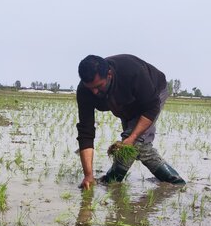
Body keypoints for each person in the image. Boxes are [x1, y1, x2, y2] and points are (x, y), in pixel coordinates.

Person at [76, 54, 185, 190]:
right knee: (130, 145)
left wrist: (132, 137)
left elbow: (151, 107)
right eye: (90, 88)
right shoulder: (85, 91)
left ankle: (176, 183)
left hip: (152, 95)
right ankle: (112, 181)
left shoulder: (132, 72)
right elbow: (86, 132)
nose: (94, 92)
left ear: (109, 74)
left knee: (137, 143)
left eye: (98, 86)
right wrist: (88, 175)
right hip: (125, 103)